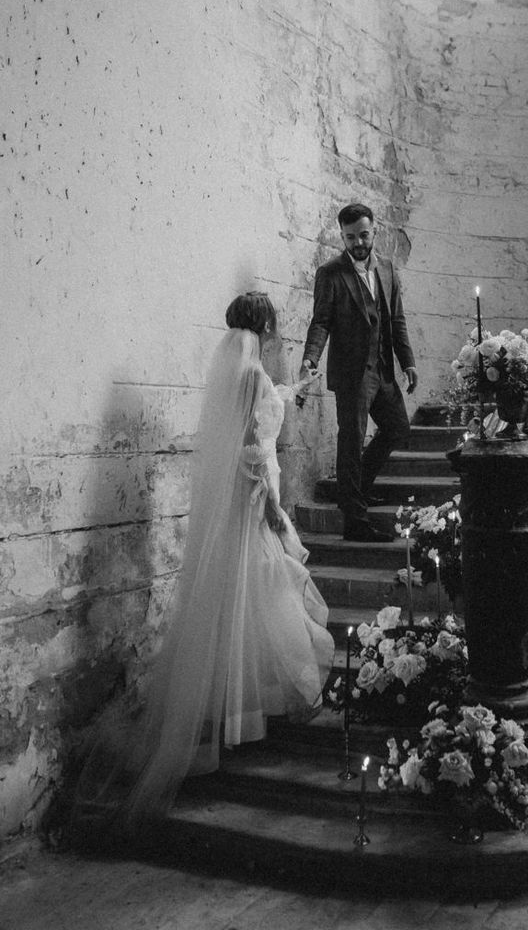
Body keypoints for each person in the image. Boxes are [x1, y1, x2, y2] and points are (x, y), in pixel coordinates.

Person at [70, 293, 334, 838]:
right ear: (263, 323)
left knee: (243, 590)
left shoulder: (240, 366)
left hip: (243, 493)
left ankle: (234, 710)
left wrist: (290, 391)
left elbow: (253, 411)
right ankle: (248, 712)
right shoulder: (251, 367)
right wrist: (275, 507)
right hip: (256, 492)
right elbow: (251, 444)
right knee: (267, 584)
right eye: (272, 322)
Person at [300, 203, 418, 543]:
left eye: (364, 235)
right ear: (342, 236)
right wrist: (310, 358)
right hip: (352, 374)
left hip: (382, 372)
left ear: (374, 232)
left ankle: (357, 489)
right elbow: (321, 321)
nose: (358, 243)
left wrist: (407, 362)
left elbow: (396, 320)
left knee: (397, 429)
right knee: (350, 442)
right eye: (351, 237)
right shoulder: (331, 272)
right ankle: (355, 521)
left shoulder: (388, 270)